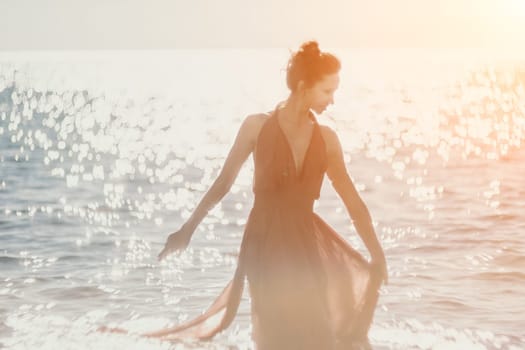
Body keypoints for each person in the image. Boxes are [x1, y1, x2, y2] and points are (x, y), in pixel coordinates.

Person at [106, 41, 388, 350]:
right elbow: (223, 183)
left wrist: (377, 253)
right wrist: (187, 230)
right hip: (264, 242)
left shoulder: (328, 140)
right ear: (304, 86)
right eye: (327, 91)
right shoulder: (256, 127)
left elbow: (354, 204)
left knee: (320, 335)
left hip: (305, 245)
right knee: (276, 337)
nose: (332, 101)